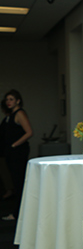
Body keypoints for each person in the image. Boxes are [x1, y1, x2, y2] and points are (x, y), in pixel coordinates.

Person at [2, 90, 33, 221]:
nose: (8, 102)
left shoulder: (19, 113)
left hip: (17, 153)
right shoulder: (10, 115)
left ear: (18, 101)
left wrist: (14, 145)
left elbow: (29, 132)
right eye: (7, 99)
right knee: (16, 182)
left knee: (19, 182)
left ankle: (18, 214)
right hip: (11, 154)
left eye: (11, 99)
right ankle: (18, 213)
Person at [0, 99, 14, 200]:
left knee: (6, 170)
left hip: (6, 149)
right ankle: (9, 189)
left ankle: (10, 190)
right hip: (4, 148)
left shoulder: (11, 119)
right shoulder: (7, 119)